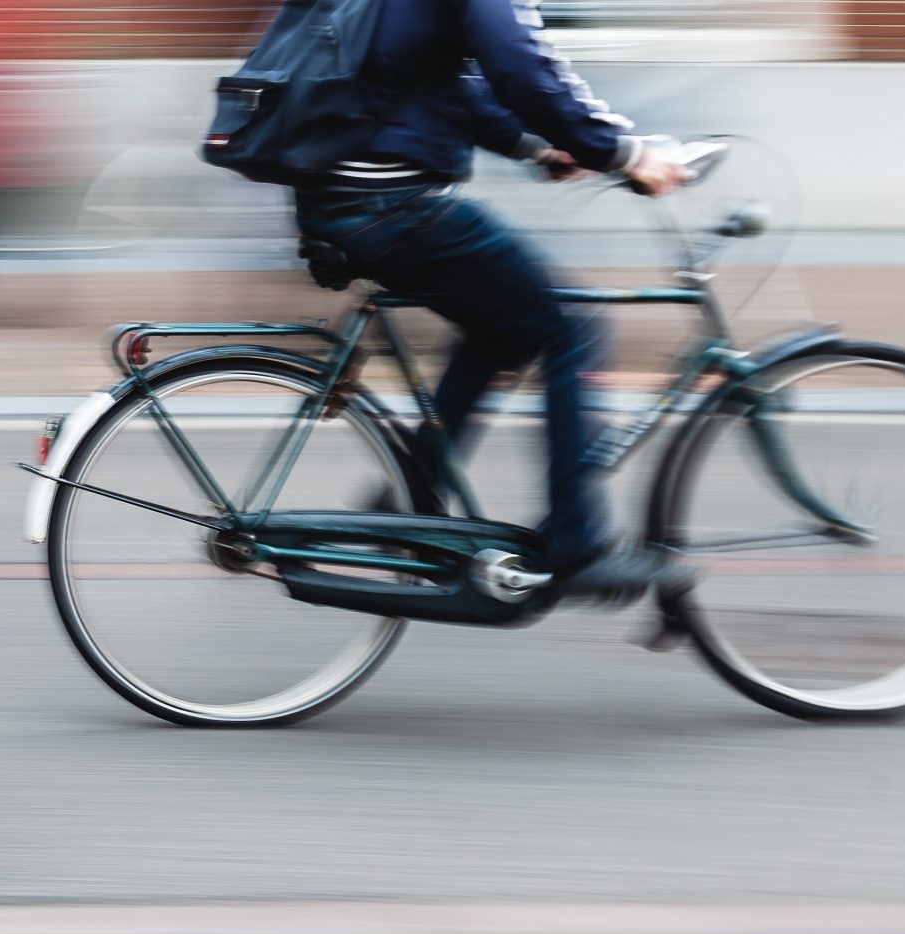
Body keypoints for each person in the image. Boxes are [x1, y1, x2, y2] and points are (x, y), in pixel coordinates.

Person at [292, 0, 694, 599]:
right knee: (570, 327)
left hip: (340, 196)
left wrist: (538, 148)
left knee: (502, 327)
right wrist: (624, 153)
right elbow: (521, 64)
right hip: (391, 201)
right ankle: (577, 544)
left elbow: (438, 80)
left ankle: (411, 496)